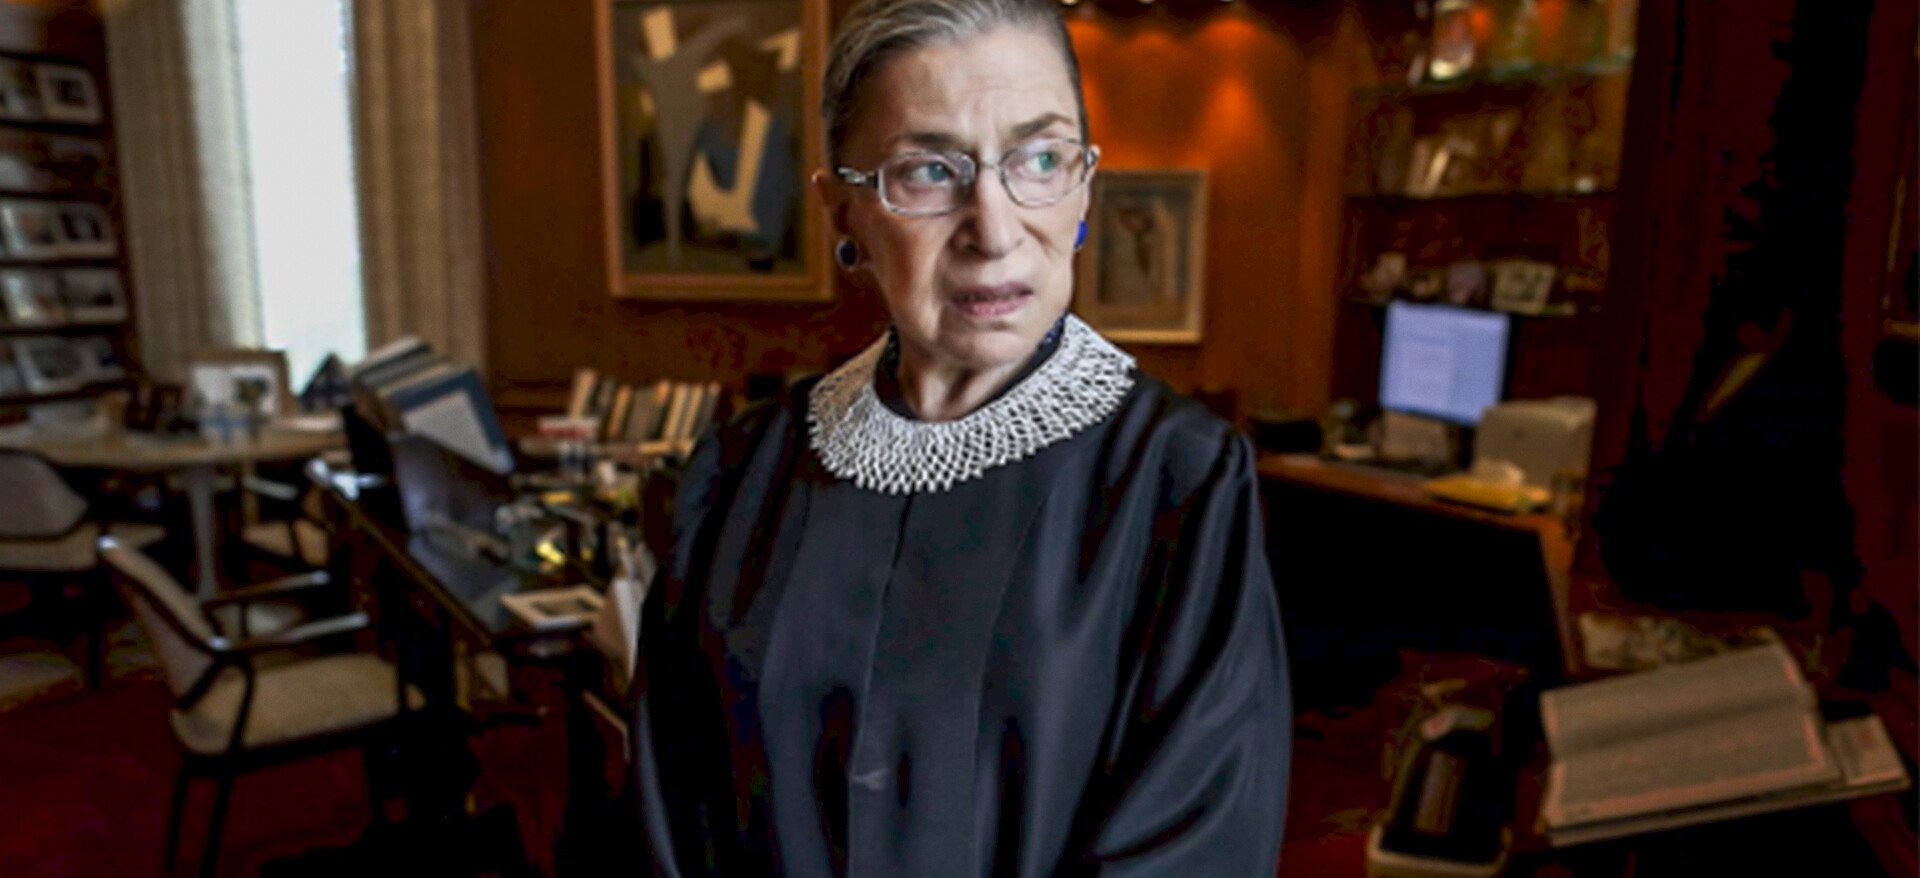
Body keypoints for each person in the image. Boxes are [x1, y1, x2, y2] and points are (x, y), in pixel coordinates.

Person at [631, 1, 1291, 875]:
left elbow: (1198, 848)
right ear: (843, 213)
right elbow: (668, 813)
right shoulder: (739, 475)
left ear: (1086, 184)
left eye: (1041, 159)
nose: (996, 229)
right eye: (929, 172)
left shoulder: (1182, 483)